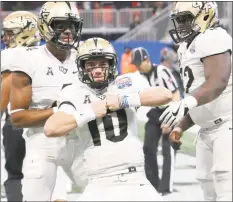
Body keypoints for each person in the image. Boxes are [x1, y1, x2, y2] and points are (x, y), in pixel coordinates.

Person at [44, 37, 173, 201]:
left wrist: (123, 100)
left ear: (111, 64)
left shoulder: (127, 82)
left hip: (135, 179)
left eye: (102, 64)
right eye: (90, 65)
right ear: (82, 67)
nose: (97, 70)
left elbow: (165, 95)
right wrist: (89, 112)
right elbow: (51, 128)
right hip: (98, 182)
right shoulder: (73, 92)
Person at [9, 2, 86, 201]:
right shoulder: (28, 59)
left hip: (80, 140)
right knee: (36, 195)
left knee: (105, 189)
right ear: (45, 26)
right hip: (42, 141)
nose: (68, 31)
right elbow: (17, 118)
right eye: (60, 25)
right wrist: (56, 111)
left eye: (72, 25)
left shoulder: (83, 59)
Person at [159, 2, 232, 201]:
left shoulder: (214, 36)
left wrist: (185, 103)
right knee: (208, 191)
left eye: (185, 18)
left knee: (227, 188)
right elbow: (197, 93)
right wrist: (181, 126)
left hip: (227, 125)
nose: (180, 24)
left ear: (205, 15)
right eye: (178, 19)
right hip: (206, 130)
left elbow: (218, 81)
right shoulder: (186, 46)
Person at [1, 11, 41, 201]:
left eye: (10, 33)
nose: (5, 37)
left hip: (17, 122)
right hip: (44, 123)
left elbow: (6, 86)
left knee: (15, 175)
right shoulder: (46, 53)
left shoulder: (10, 55)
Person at [131, 47, 180, 195]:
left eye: (140, 63)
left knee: (168, 149)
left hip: (169, 109)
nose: (138, 66)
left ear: (147, 60)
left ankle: (166, 188)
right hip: (154, 112)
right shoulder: (138, 76)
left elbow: (175, 94)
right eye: (136, 64)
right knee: (147, 148)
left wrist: (172, 119)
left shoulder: (162, 71)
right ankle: (153, 185)